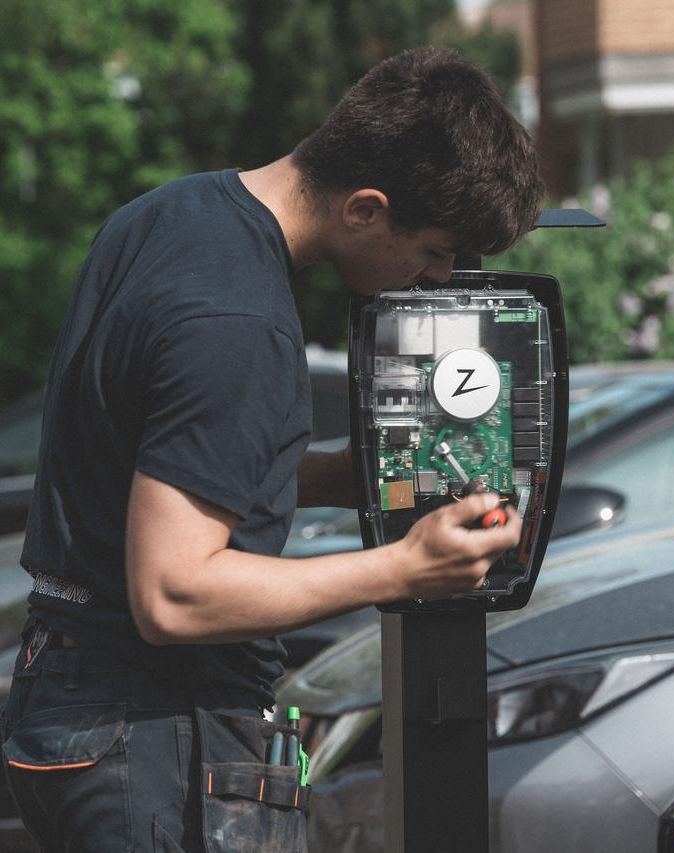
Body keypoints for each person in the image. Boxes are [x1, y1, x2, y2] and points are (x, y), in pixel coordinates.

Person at [1, 46, 544, 852]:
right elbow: (175, 591)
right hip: (152, 734)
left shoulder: (172, 214)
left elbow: (170, 465)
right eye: (432, 249)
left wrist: (355, 477)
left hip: (75, 703)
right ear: (365, 207)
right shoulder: (239, 322)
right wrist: (403, 568)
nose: (432, 278)